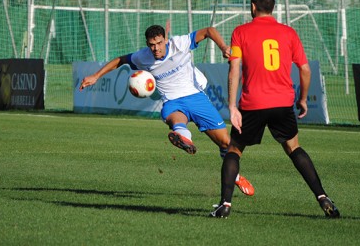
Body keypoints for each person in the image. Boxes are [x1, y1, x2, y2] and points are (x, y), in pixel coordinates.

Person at [79, 24, 254, 196]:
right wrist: (95, 76)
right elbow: (120, 60)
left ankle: (236, 176)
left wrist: (223, 46)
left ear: (166, 40)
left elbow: (208, 31)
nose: (155, 48)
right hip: (172, 101)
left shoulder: (180, 43)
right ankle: (184, 137)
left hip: (195, 97)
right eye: (151, 45)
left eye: (159, 43)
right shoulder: (143, 57)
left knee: (226, 144)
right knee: (173, 117)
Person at [210, 0, 340, 218]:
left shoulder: (240, 32)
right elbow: (305, 69)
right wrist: (302, 99)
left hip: (253, 104)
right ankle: (322, 196)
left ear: (252, 7)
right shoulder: (288, 33)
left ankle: (225, 204)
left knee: (234, 150)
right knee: (294, 148)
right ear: (273, 7)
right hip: (282, 103)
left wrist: (231, 106)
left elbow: (234, 70)